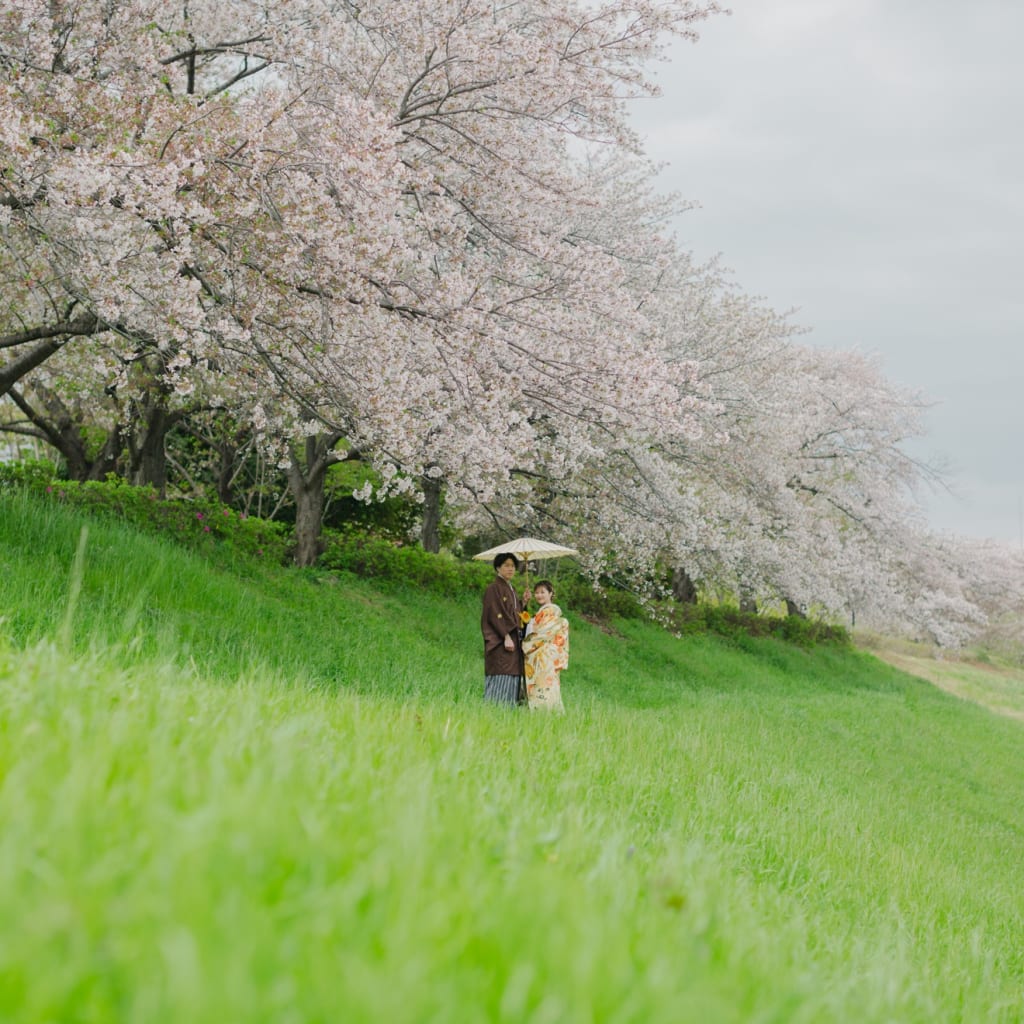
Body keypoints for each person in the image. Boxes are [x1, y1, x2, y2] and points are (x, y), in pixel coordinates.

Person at [481, 553, 530, 706]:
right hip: (502, 641)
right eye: (506, 565)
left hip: (514, 640)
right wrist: (505, 636)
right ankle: (495, 707)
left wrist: (523, 602)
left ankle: (509, 708)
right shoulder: (493, 588)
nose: (510, 569)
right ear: (498, 567)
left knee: (512, 672)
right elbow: (495, 614)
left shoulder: (511, 589)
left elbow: (515, 614)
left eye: (513, 566)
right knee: (502, 671)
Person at [521, 580, 569, 712]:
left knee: (542, 683)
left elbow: (541, 634)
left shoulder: (550, 611)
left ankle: (542, 712)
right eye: (536, 592)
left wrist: (525, 643)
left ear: (550, 593)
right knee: (545, 683)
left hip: (543, 655)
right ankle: (548, 711)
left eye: (543, 592)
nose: (539, 595)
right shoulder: (544, 612)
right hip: (544, 655)